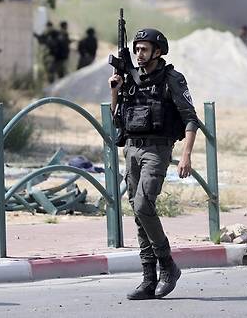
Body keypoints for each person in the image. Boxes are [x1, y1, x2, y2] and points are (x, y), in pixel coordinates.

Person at [108, 28, 198, 300]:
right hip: (132, 149)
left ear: (158, 52)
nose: (139, 53)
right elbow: (117, 119)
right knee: (137, 212)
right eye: (136, 49)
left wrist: (186, 155)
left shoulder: (172, 79)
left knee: (144, 205)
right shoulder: (130, 79)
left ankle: (167, 265)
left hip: (157, 150)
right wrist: (116, 90)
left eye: (144, 49)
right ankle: (148, 278)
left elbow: (191, 118)